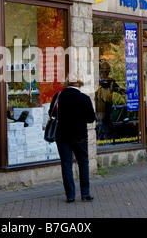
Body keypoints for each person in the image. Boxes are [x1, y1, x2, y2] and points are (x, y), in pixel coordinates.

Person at [49, 75, 96, 203]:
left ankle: (70, 195)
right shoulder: (84, 98)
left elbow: (51, 114)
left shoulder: (58, 96)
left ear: (66, 84)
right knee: (83, 162)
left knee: (66, 164)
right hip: (80, 135)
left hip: (62, 135)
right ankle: (85, 193)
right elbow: (91, 118)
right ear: (79, 85)